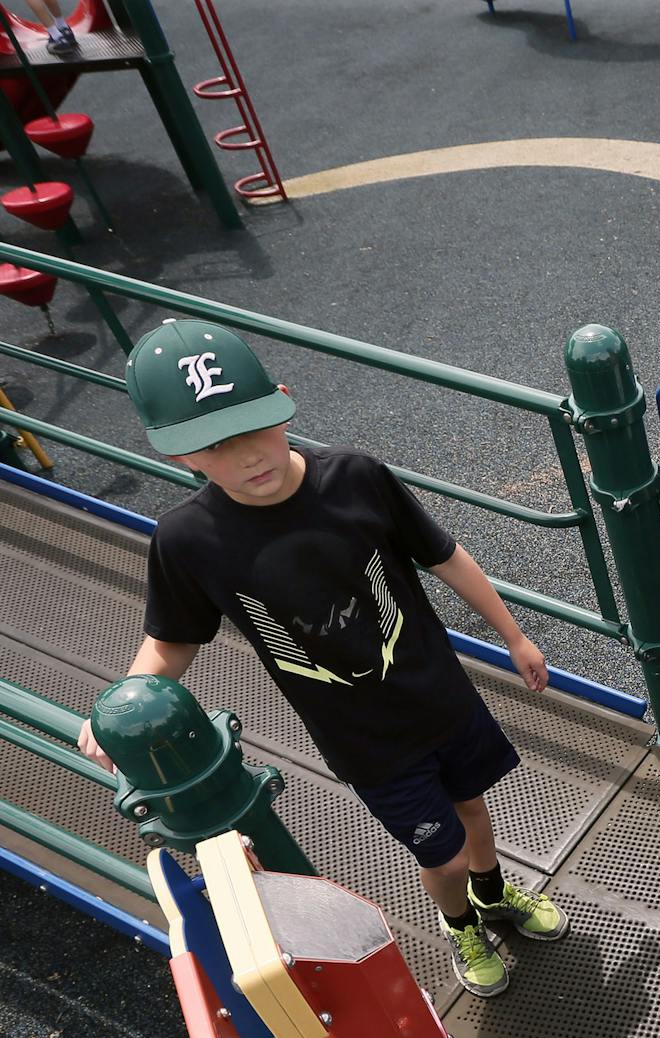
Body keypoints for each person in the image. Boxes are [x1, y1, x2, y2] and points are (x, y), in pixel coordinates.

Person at [78, 320, 568, 999]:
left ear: (282, 401)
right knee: (444, 849)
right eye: (214, 445)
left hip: (441, 699)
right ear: (180, 457)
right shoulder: (189, 539)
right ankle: (459, 920)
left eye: (254, 426)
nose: (248, 454)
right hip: (368, 742)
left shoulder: (356, 477)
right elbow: (173, 638)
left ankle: (493, 894)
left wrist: (514, 635)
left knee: (474, 811)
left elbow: (444, 555)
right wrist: (121, 711)